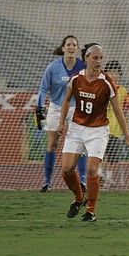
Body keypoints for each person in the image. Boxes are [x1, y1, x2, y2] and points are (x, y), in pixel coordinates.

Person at [58, 43, 129, 222]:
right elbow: (66, 100)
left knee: (93, 170)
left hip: (98, 130)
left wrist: (127, 135)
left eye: (101, 58)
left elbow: (118, 111)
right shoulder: (76, 79)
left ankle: (90, 211)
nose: (99, 61)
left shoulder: (107, 82)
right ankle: (79, 198)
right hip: (77, 128)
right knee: (66, 169)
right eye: (95, 57)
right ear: (86, 58)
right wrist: (62, 122)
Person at [36, 35, 88, 193]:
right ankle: (47, 182)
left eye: (74, 45)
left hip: (75, 108)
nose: (71, 47)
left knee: (80, 144)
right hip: (56, 107)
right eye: (68, 44)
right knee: (52, 144)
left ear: (77, 49)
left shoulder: (83, 67)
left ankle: (83, 181)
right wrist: (39, 107)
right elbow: (43, 88)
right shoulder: (53, 67)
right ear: (63, 48)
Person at [100, 60, 129, 187]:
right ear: (106, 73)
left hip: (116, 130)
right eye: (111, 72)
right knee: (100, 154)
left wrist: (125, 129)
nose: (114, 75)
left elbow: (127, 110)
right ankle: (99, 175)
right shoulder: (101, 88)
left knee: (112, 157)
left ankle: (109, 178)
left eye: (116, 72)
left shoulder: (123, 91)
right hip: (101, 128)